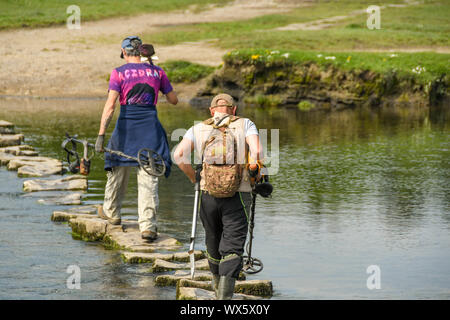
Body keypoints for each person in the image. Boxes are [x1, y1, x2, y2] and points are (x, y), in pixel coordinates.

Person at [174, 93, 263, 299]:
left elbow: (179, 155)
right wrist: (252, 169)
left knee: (212, 240)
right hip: (238, 194)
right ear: (233, 110)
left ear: (212, 111)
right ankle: (224, 299)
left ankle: (215, 288)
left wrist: (194, 178)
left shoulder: (198, 128)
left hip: (207, 193)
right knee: (232, 246)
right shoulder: (245, 124)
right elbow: (257, 151)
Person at [95, 35, 178, 241]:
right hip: (150, 129)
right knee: (148, 173)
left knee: (117, 165)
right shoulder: (158, 71)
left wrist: (101, 134)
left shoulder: (118, 73)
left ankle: (112, 213)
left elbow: (110, 106)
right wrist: (156, 78)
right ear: (141, 51)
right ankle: (148, 226)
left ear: (124, 52)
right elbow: (174, 100)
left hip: (126, 128)